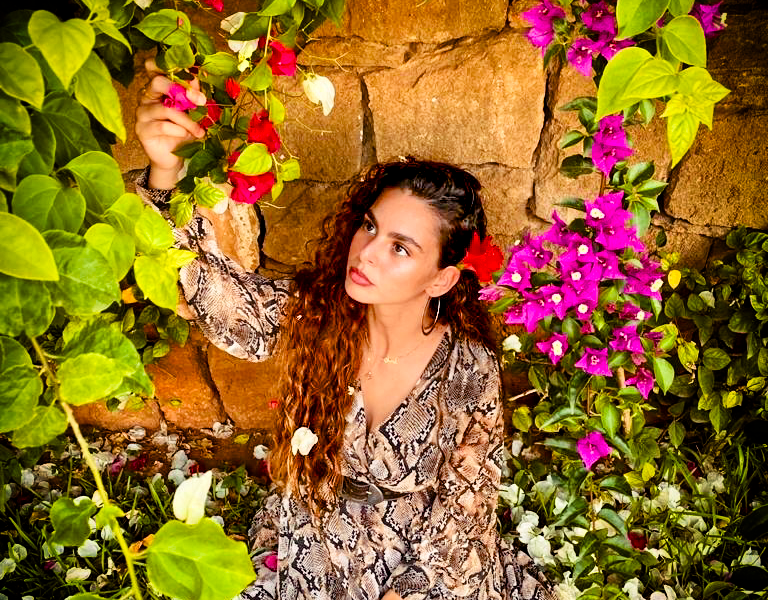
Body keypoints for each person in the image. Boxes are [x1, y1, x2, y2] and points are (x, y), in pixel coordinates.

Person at [135, 66, 554, 600]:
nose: (367, 252)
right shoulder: (318, 314)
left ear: (442, 279)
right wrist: (166, 174)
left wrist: (404, 593)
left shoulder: (466, 370)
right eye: (370, 226)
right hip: (313, 540)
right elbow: (225, 304)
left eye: (400, 248)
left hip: (417, 559)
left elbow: (463, 509)